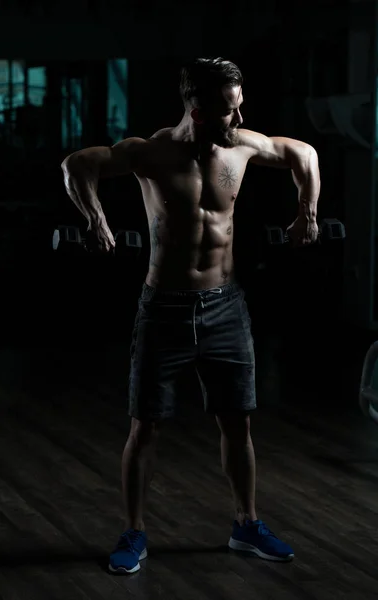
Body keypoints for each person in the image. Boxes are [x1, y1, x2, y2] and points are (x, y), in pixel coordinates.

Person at [61, 57, 320, 575]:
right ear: (197, 110)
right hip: (165, 308)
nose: (239, 119)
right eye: (229, 111)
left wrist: (307, 211)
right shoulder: (151, 153)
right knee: (146, 428)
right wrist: (95, 219)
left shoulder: (243, 146)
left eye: (240, 105)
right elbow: (76, 165)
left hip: (227, 305)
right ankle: (134, 532)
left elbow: (305, 154)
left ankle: (246, 524)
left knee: (237, 423)